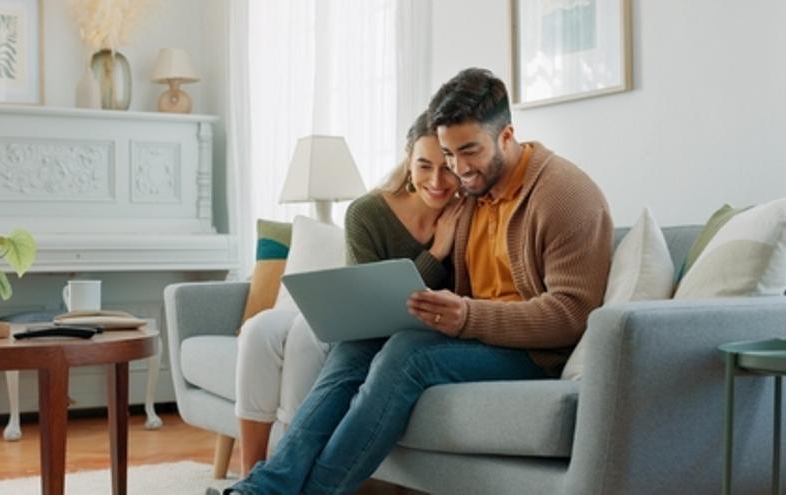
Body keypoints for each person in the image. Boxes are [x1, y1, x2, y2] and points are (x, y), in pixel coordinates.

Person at [222, 67, 613, 495]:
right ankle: (260, 489)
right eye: (449, 154)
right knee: (358, 344)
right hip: (477, 336)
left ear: (506, 136)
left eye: (470, 151)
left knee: (409, 353)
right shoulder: (472, 193)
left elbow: (572, 315)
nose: (458, 170)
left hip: (535, 352)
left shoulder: (564, 195)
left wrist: (467, 315)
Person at [231, 110, 463, 477]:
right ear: (407, 158)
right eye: (423, 165)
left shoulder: (466, 215)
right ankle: (252, 475)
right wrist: (435, 255)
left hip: (412, 335)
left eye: (447, 167)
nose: (437, 180)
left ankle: (278, 480)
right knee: (261, 329)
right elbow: (369, 306)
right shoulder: (368, 212)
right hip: (363, 326)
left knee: (306, 337)